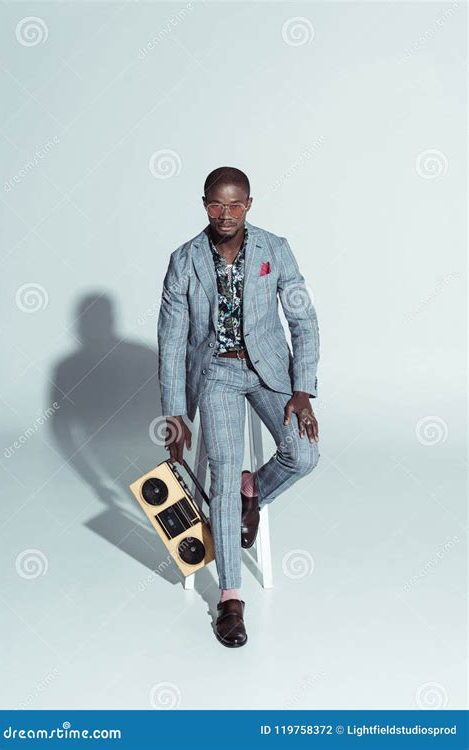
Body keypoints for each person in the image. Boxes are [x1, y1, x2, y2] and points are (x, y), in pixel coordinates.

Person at [157, 166, 320, 648]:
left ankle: (254, 493)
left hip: (271, 370)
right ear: (203, 203)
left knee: (304, 453)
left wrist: (302, 390)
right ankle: (230, 597)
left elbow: (304, 321)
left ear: (249, 204)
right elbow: (171, 342)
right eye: (215, 204)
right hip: (218, 374)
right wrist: (174, 412)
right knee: (223, 473)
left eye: (235, 205)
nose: (224, 215)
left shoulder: (277, 250)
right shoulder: (184, 261)